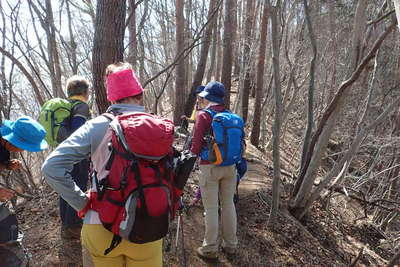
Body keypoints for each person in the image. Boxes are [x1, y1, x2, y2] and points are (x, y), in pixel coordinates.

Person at [42, 63, 165, 267]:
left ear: (111, 98)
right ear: (140, 95)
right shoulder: (159, 126)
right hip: (148, 225)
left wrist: (82, 203)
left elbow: (51, 167)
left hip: (101, 225)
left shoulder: (97, 126)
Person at [190, 81, 238, 259]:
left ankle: (210, 248)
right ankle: (231, 245)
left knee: (211, 208)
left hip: (209, 167)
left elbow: (195, 146)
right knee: (228, 205)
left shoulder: (204, 116)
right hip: (230, 167)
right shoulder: (231, 116)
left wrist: (190, 160)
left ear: (208, 98)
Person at [0, 116, 48, 267]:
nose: (22, 150)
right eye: (22, 146)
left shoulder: (4, 146)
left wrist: (7, 165)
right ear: (12, 139)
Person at [57, 76, 91, 239]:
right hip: (77, 154)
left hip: (62, 153)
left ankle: (66, 221)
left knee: (65, 186)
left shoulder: (65, 106)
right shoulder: (82, 107)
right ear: (85, 92)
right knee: (77, 186)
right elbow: (79, 131)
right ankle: (73, 225)